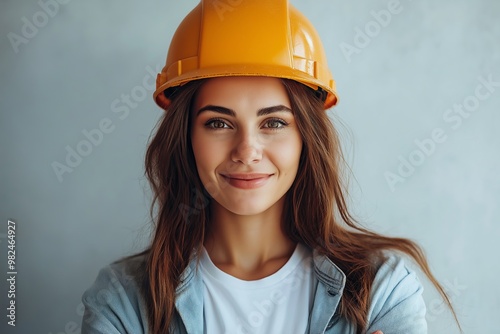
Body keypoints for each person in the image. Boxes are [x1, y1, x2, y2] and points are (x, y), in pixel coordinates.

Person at [81, 1, 459, 333]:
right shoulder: (121, 301)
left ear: (305, 139)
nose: (247, 151)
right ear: (186, 138)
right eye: (218, 123)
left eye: (274, 123)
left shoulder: (382, 289)